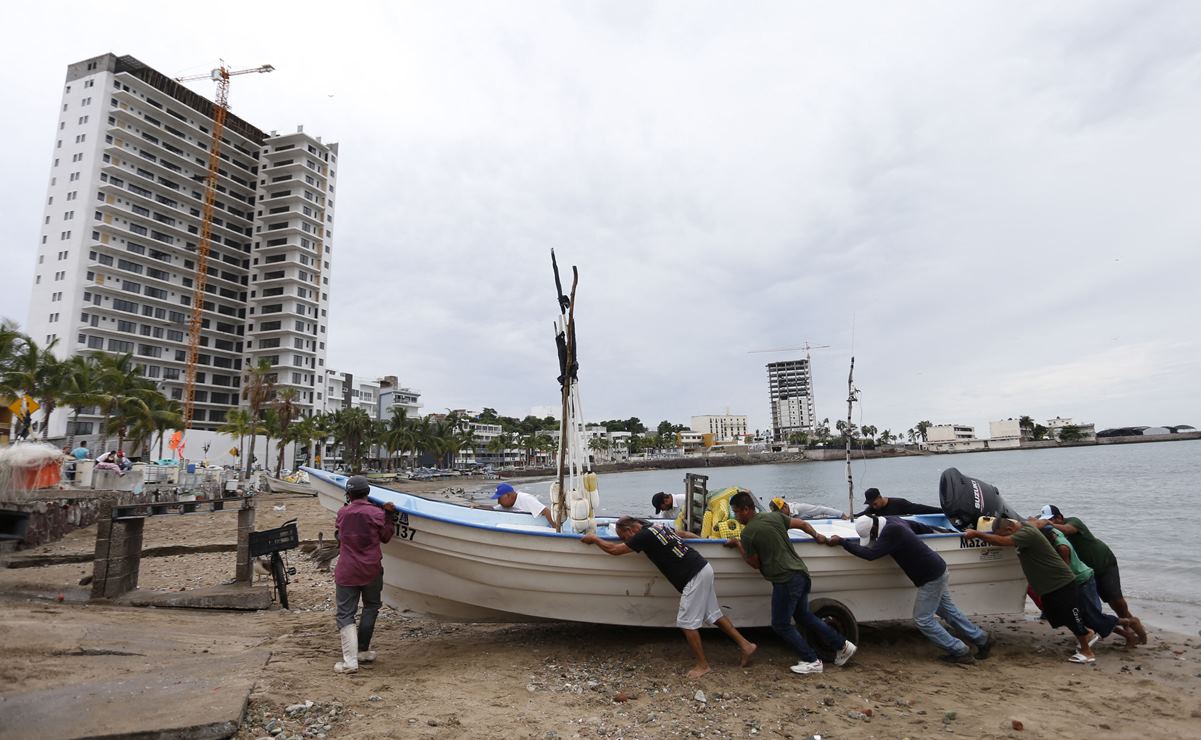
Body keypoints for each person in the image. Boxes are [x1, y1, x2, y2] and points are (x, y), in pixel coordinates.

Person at [581, 517, 757, 678]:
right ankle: (746, 646)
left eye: (624, 536)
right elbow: (683, 534)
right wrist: (708, 542)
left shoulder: (644, 535)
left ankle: (703, 665)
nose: (625, 540)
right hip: (703, 567)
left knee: (686, 623)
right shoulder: (656, 526)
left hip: (693, 575)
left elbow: (614, 549)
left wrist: (595, 539)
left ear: (631, 529)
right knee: (713, 614)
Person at [725, 491, 856, 675]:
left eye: (736, 511)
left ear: (746, 509)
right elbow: (802, 524)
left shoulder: (748, 534)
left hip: (785, 579)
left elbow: (754, 564)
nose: (736, 516)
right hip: (801, 573)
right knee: (803, 615)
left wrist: (738, 545)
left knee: (781, 624)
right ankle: (842, 645)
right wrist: (817, 535)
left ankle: (811, 660)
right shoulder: (775, 516)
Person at [829, 515, 991, 663]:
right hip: (937, 569)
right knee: (948, 611)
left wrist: (843, 542)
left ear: (874, 529)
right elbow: (918, 527)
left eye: (871, 536)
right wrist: (938, 533)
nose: (873, 539)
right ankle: (982, 639)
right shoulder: (893, 521)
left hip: (930, 577)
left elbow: (871, 555)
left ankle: (960, 651)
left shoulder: (891, 532)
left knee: (923, 620)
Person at [964, 518, 1098, 663]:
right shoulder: (1026, 526)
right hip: (1048, 586)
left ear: (1010, 530)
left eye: (1002, 534)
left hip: (1061, 581)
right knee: (1057, 616)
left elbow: (1002, 542)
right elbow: (1040, 522)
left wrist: (977, 534)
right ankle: (1088, 633)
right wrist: (1045, 522)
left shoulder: (1025, 533)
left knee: (1072, 615)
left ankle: (1087, 652)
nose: (1003, 536)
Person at [1035, 505, 1146, 644]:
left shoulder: (1073, 522)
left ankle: (1131, 628)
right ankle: (1127, 631)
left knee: (1116, 601)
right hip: (1086, 573)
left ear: (1060, 517)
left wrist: (1048, 525)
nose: (1050, 523)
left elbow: (1068, 530)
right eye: (1046, 521)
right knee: (1091, 611)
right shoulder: (1053, 536)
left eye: (1051, 520)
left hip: (1103, 563)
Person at [334, 475, 397, 674]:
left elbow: (338, 535)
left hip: (347, 570)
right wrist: (388, 515)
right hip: (371, 569)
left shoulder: (343, 513)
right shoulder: (376, 513)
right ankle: (362, 650)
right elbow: (386, 537)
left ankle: (350, 661)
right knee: (371, 607)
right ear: (368, 492)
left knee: (346, 613)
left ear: (348, 494)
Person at [491, 482, 556, 527]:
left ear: (509, 495)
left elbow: (546, 511)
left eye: (499, 498)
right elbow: (493, 508)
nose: (499, 502)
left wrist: (556, 531)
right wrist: (480, 506)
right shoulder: (506, 504)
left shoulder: (526, 499)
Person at [852, 487, 942, 518]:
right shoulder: (873, 508)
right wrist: (851, 516)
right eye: (871, 505)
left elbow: (920, 508)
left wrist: (941, 511)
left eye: (874, 503)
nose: (873, 507)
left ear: (879, 497)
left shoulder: (899, 503)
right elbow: (863, 514)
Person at [770, 497, 848, 520]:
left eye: (780, 512)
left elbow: (821, 509)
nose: (779, 515)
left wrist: (841, 514)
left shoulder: (800, 508)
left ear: (785, 506)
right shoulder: (777, 516)